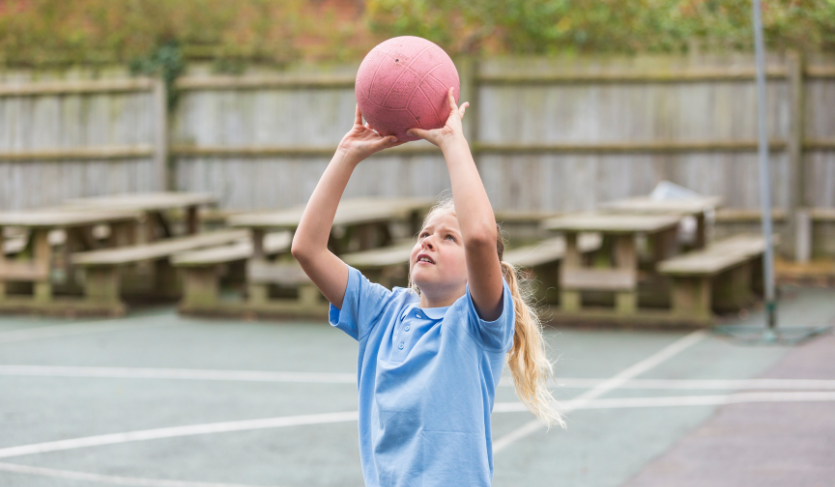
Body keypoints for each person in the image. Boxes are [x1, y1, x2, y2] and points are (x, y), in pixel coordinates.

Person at [291, 88, 563, 487]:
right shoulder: (381, 314)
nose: (428, 241)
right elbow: (307, 249)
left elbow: (481, 238)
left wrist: (453, 143)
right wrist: (346, 156)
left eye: (448, 238)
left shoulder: (478, 325)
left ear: (477, 270)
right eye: (424, 233)